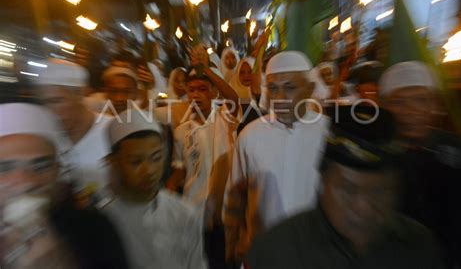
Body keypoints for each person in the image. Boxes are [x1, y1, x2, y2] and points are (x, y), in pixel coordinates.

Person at [246, 107, 447, 269]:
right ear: (323, 181)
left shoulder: (420, 248)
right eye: (348, 190)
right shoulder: (276, 251)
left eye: (380, 192)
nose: (364, 208)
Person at [223, 51, 329, 263]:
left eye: (290, 88)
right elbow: (235, 194)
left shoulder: (329, 134)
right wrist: (233, 242)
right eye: (273, 88)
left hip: (316, 256)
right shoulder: (250, 136)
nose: (279, 98)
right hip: (262, 253)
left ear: (310, 89)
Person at [0, 102, 127, 268]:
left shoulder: (93, 229)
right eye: (5, 168)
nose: (26, 182)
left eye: (41, 166)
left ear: (58, 171)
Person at [379, 61, 461, 268]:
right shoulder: (377, 153)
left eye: (421, 100)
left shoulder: (454, 148)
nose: (412, 110)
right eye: (400, 102)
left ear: (435, 106)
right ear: (385, 106)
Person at [103, 108, 207, 269]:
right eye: (136, 162)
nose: (149, 170)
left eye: (156, 158)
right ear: (113, 162)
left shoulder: (183, 212)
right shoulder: (103, 220)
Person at [169, 53, 240, 268]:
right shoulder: (182, 131)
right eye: (191, 90)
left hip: (226, 205)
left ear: (213, 92)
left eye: (202, 89)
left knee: (227, 259)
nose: (196, 95)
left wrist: (205, 69)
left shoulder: (225, 118)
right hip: (196, 207)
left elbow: (234, 99)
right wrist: (170, 188)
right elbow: (180, 167)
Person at [36, 59, 111, 199]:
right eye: (43, 103)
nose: (49, 111)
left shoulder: (112, 130)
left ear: (80, 93)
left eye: (56, 101)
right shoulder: (42, 137)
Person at [229, 57, 264, 134]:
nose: (246, 76)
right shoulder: (230, 92)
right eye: (242, 73)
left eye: (250, 72)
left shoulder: (264, 94)